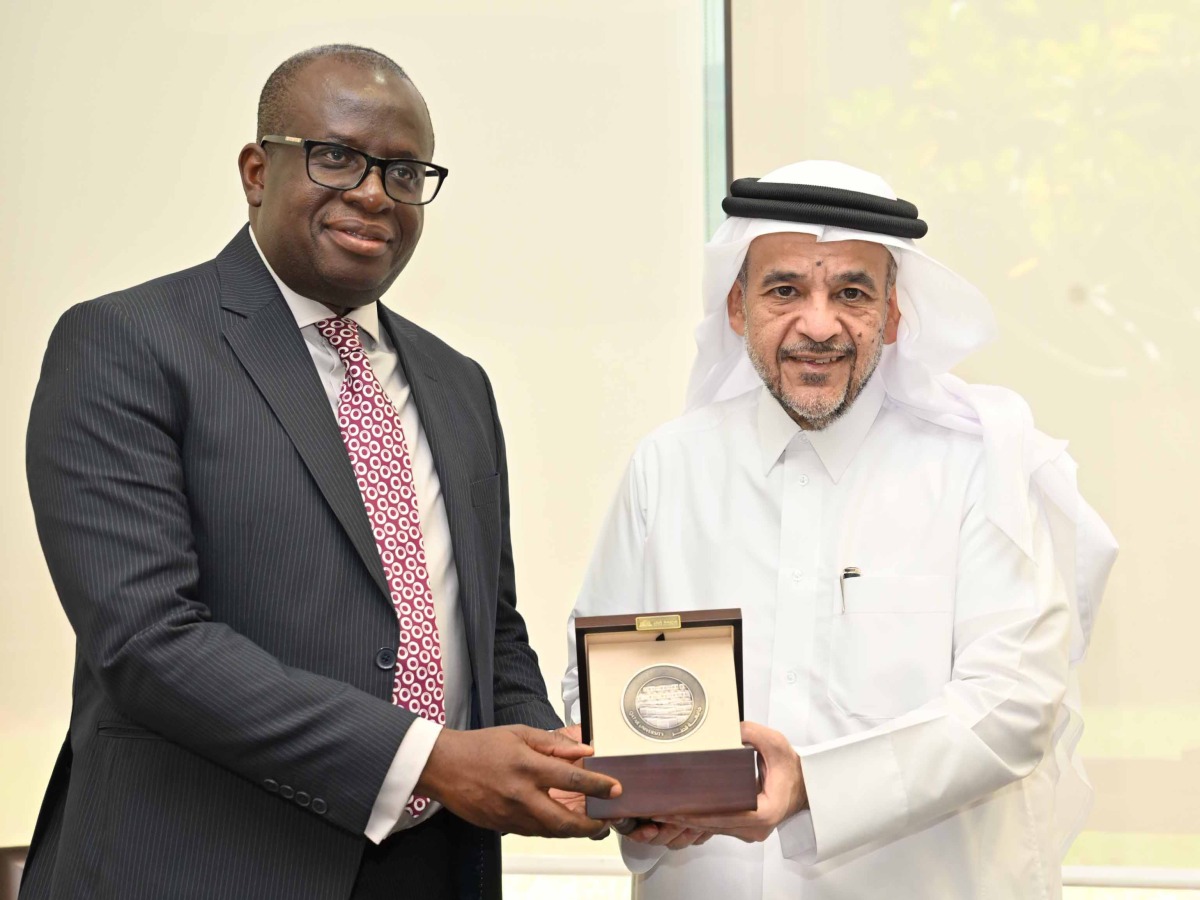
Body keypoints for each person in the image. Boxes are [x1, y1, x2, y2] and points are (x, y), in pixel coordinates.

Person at [23, 44, 618, 900]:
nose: (375, 193)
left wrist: (565, 762)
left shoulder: (459, 384)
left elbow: (485, 630)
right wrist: (425, 758)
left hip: (436, 866)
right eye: (337, 157)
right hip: (203, 865)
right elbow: (148, 642)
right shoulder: (128, 343)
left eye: (406, 172)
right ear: (258, 171)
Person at [563, 161, 1117, 899]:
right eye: (784, 289)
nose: (818, 323)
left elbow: (1014, 706)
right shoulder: (669, 465)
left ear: (891, 318)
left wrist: (812, 789)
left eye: (851, 293)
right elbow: (594, 670)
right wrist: (632, 789)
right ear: (737, 307)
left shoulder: (976, 466)